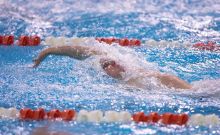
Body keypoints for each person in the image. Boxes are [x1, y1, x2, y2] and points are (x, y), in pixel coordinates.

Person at [33, 45, 192, 90]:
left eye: (109, 64)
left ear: (119, 64)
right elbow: (81, 52)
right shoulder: (125, 81)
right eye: (104, 66)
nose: (107, 68)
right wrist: (50, 51)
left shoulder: (136, 76)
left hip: (172, 84)